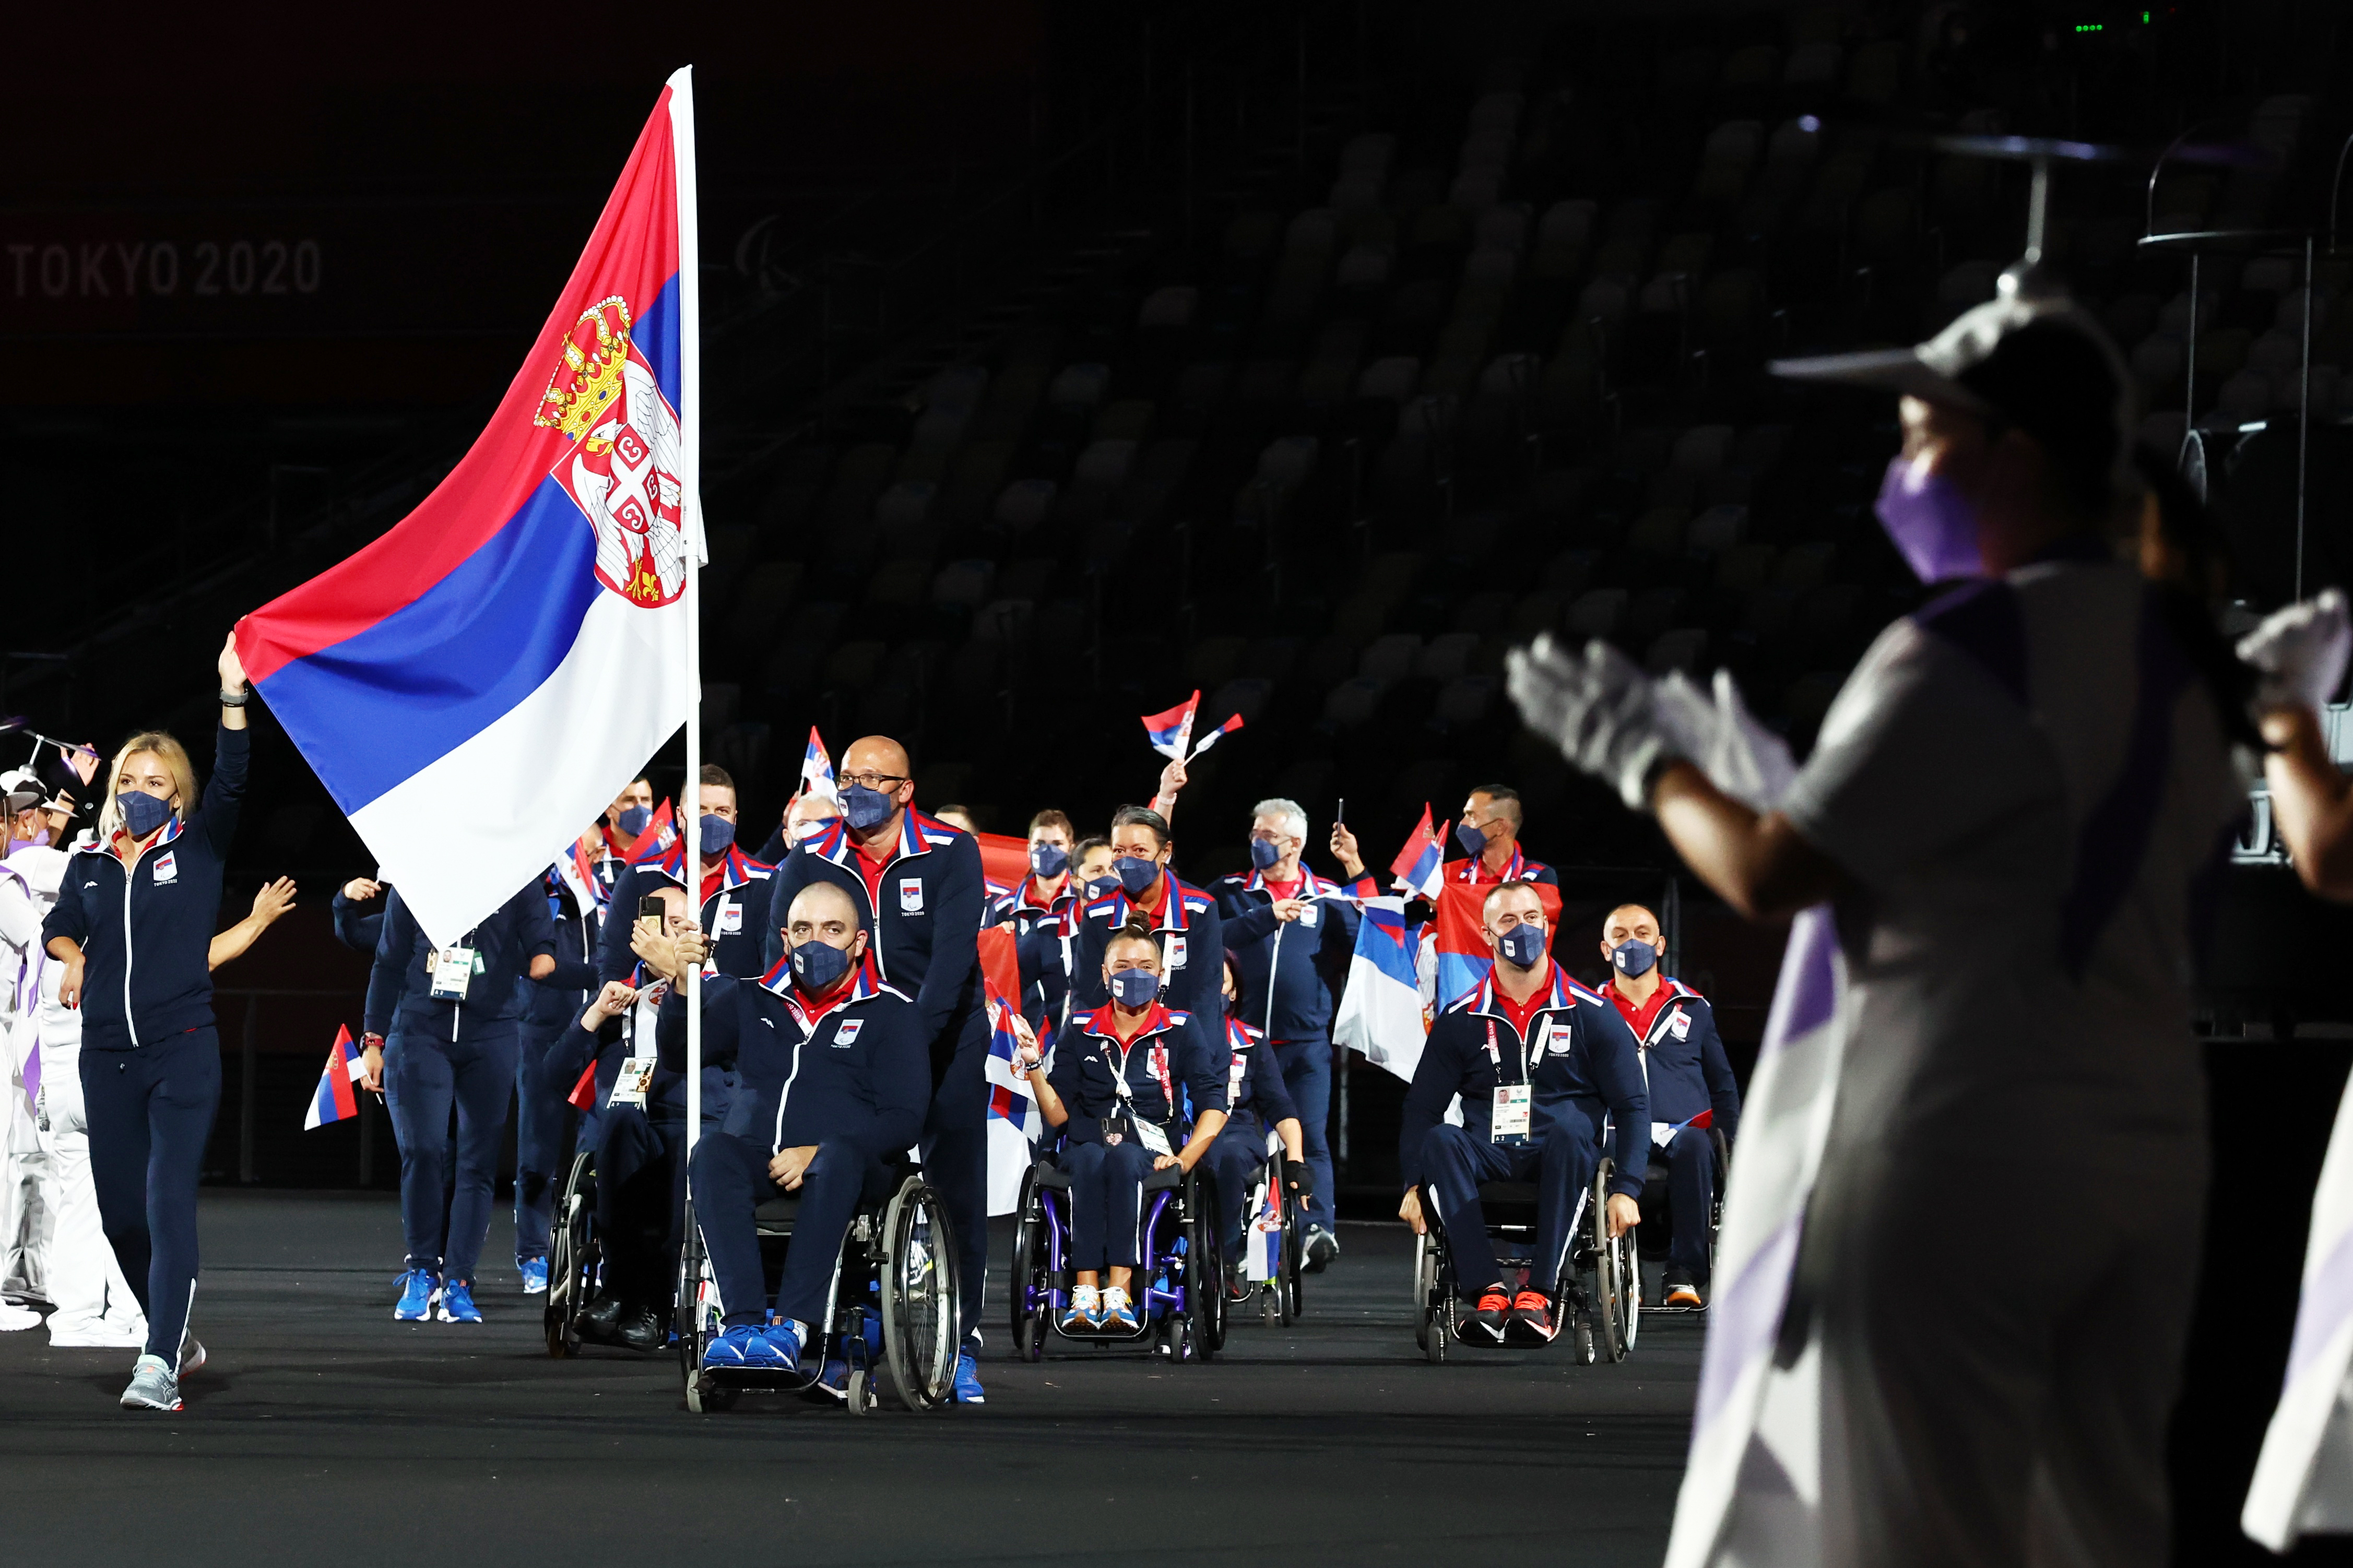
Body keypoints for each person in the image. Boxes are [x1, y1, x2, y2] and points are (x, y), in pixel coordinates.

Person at [1506, 285, 2251, 1562]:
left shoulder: (1962, 647)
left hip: (1958, 1161)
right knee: (2094, 1531)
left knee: (1915, 1533)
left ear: (2006, 454)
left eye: (1916, 436)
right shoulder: (2175, 656)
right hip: (2143, 1159)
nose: (1897, 468)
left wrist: (1642, 757)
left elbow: (1764, 871)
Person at [40, 633, 251, 1411]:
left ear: (177, 796)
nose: (138, 789)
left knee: (167, 1203)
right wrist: (71, 955)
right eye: (128, 777)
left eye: (155, 781)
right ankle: (180, 1334)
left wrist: (232, 694)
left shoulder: (198, 847)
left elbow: (233, 779)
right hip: (107, 1057)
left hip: (182, 1050)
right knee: (123, 1217)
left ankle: (157, 1362)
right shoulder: (91, 859)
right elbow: (59, 923)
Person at [770, 734, 990, 1402]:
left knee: (957, 1190)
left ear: (905, 789)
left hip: (944, 1039)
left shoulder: (952, 853)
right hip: (846, 1044)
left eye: (874, 777)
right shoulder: (811, 858)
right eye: (848, 775)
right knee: (844, 1173)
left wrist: (906, 1048)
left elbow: (952, 964)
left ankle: (961, 1344)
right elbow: (781, 956)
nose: (858, 787)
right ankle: (841, 1338)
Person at [648, 881, 929, 1375]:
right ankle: (742, 1326)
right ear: (785, 938)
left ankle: (793, 1326)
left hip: (851, 1169)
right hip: (764, 1160)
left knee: (838, 1155)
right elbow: (680, 1054)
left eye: (831, 929)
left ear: (859, 942)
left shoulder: (893, 1013)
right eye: (802, 929)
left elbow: (904, 1121)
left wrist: (815, 1153)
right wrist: (682, 987)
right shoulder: (751, 999)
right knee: (711, 1152)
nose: (815, 941)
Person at [1398, 881, 1648, 1345]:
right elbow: (1422, 1108)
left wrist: (1628, 1189)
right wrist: (1413, 1184)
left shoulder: (1591, 1013)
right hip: (1488, 1151)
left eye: (1532, 918)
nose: (1523, 929)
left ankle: (1539, 1294)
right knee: (1442, 1140)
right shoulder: (1461, 1017)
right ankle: (1488, 1292)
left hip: (1562, 1154)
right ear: (1486, 934)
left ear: (1547, 926)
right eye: (1509, 921)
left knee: (1574, 1127)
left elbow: (1632, 1105)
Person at [1014, 924, 1228, 1331]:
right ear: (1105, 973)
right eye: (1124, 966)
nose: (1135, 975)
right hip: (1086, 1143)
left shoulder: (1180, 1028)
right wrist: (1033, 1065)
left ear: (1161, 973)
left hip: (1150, 1149)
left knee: (1125, 1158)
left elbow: (1213, 1106)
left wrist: (1183, 1161)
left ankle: (1119, 1290)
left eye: (1146, 966)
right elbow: (1058, 1116)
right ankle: (1084, 1289)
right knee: (1093, 1158)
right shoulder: (1080, 1028)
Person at [363, 878, 555, 1324]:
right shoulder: (414, 878)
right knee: (423, 1151)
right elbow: (387, 961)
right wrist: (373, 1040)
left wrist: (542, 957)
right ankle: (423, 1270)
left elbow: (542, 943)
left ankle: (460, 1282)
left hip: (492, 1034)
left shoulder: (515, 876)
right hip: (418, 1032)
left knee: (477, 1163)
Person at [1209, 797, 1356, 1269]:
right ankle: (1227, 1238)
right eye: (1253, 834)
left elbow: (1365, 939)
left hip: (1303, 1043)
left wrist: (1354, 866)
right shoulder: (1231, 889)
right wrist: (1266, 916)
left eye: (1266, 836)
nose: (1256, 842)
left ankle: (1315, 1231)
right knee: (1228, 1144)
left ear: (1295, 843)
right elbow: (1209, 938)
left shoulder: (1327, 895)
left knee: (1309, 1137)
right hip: (1237, 1044)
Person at [1594, 902, 1739, 1310]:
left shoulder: (1692, 1006)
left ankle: (1684, 1274)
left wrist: (1736, 1147)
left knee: (1696, 1145)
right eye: (1619, 935)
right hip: (1617, 1132)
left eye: (1642, 934)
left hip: (1680, 1130)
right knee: (1598, 1152)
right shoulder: (1590, 1010)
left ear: (1659, 945)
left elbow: (1722, 1083)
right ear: (1605, 950)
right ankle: (1628, 1274)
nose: (1631, 942)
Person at [1066, 806, 1224, 1066]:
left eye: (1139, 851)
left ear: (1166, 852)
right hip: (1119, 1053)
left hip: (1186, 1052)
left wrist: (1198, 1063)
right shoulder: (1098, 915)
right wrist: (1088, 1058)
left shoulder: (1199, 909)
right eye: (1119, 851)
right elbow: (1086, 994)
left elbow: (1205, 995)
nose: (1128, 860)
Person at [513, 850, 605, 1293]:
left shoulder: (608, 881)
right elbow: (538, 969)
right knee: (538, 1151)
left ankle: (594, 1253)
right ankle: (533, 1253)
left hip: (599, 1030)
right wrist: (602, 976)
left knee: (597, 1151)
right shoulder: (531, 889)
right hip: (542, 1033)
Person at [599, 764, 774, 987]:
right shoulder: (641, 876)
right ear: (680, 816)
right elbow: (612, 970)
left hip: (734, 1019)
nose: (712, 819)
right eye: (701, 809)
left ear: (735, 819)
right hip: (654, 1017)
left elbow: (770, 977)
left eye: (722, 811)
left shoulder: (764, 882)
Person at [1198, 951, 1309, 1292]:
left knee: (1226, 1157)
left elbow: (1280, 1107)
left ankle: (1222, 1262)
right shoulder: (1172, 1036)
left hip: (1236, 1133)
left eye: (1222, 980)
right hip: (1185, 1130)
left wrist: (1296, 1160)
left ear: (1233, 993)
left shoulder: (1252, 1042)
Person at [1330, 785, 1558, 892]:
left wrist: (1448, 903)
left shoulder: (1538, 876)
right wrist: (1352, 861)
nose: (1463, 823)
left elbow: (1524, 921)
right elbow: (1390, 906)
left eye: (1471, 816)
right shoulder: (1448, 875)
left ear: (1500, 827)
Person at [994, 810, 1077, 1025]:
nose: (1048, 850)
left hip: (1075, 1024)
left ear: (1072, 849)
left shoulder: (1084, 903)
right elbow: (992, 974)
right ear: (1028, 849)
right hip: (1022, 1027)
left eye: (1057, 844)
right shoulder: (1004, 909)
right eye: (1040, 843)